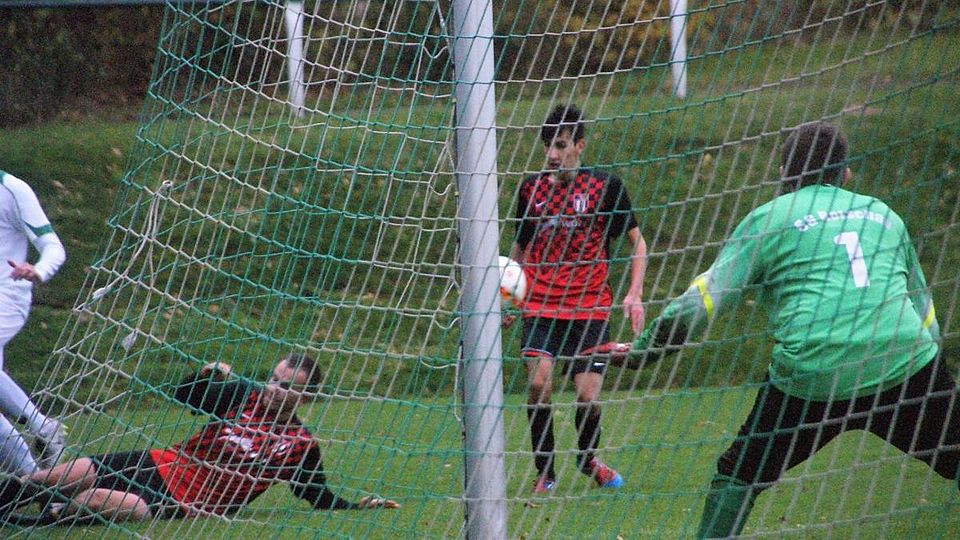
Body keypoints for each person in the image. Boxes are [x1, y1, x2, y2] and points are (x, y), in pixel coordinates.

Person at [616, 121, 958, 538]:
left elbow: (700, 303)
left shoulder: (769, 219)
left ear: (783, 174)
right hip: (903, 360)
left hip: (814, 372)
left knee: (738, 474)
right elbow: (923, 309)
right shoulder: (884, 215)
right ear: (845, 173)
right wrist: (933, 382)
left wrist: (643, 352)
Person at [0, 353, 399, 525]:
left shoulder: (300, 445)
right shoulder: (242, 394)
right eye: (274, 379)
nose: (275, 389)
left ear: (306, 398)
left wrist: (357, 507)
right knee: (68, 474)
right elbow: (185, 396)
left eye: (288, 386)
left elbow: (317, 495)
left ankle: (41, 518)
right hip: (164, 461)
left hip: (189, 502)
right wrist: (204, 376)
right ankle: (13, 496)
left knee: (106, 501)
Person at [507, 104, 647, 494]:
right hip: (541, 305)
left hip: (589, 307)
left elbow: (638, 243)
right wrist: (509, 297)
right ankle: (546, 473)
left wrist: (634, 293)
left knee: (587, 395)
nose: (552, 154)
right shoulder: (531, 190)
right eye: (548, 145)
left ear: (580, 146)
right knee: (539, 384)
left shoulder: (606, 187)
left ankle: (588, 459)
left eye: (561, 145)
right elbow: (519, 250)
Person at [0, 170, 67, 474]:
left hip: (7, 297)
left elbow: (53, 247)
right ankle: (34, 482)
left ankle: (42, 427)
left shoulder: (12, 190)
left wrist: (38, 270)